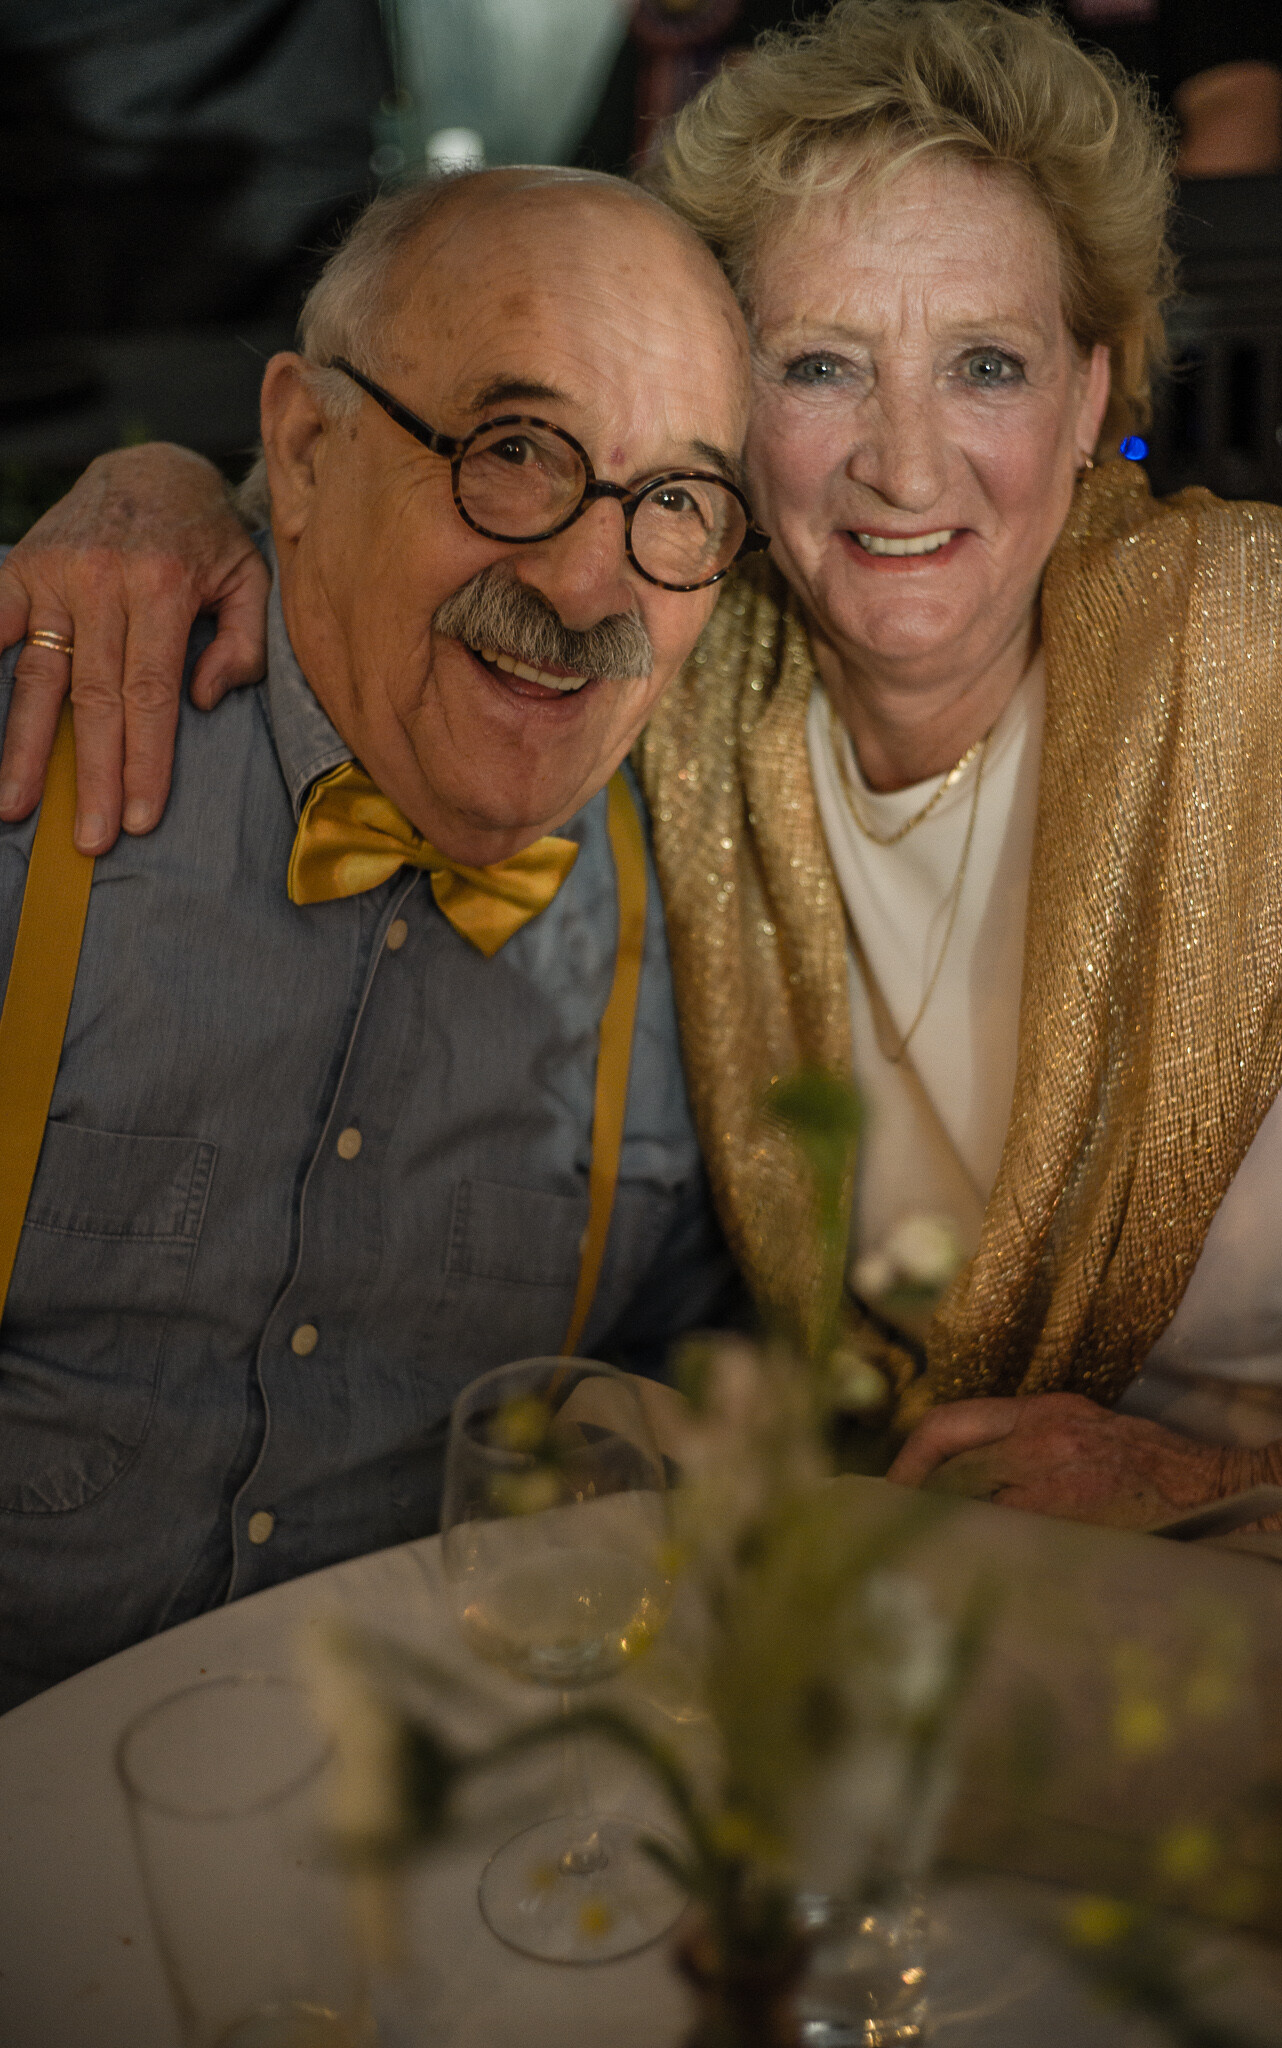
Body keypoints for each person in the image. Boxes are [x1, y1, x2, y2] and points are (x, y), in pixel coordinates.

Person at [7, 1, 1282, 1541]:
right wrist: (154, 490)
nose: (904, 465)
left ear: (1088, 400)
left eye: (985, 364)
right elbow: (401, 514)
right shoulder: (680, 682)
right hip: (976, 1602)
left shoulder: (1258, 652)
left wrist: (1237, 1482)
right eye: (820, 366)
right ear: (718, 416)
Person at [0, 164, 754, 1706]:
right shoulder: (33, 752)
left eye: (674, 500)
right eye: (512, 450)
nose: (586, 583)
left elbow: (671, 1395)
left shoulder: (704, 913)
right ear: (301, 447)